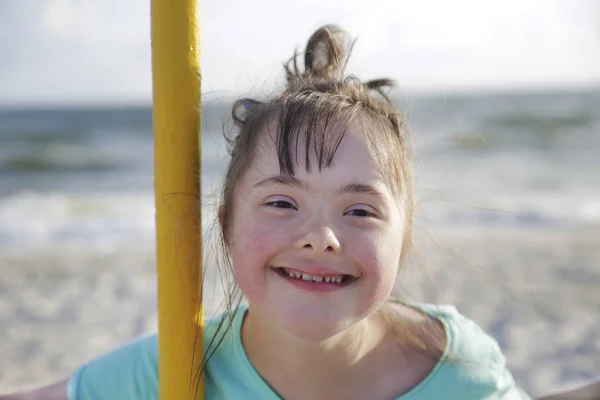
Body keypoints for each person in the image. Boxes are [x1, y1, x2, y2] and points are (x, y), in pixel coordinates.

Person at [4, 23, 578, 400]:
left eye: (360, 210)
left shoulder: (457, 368)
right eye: (281, 202)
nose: (321, 237)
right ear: (226, 225)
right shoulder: (176, 368)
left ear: (403, 240)